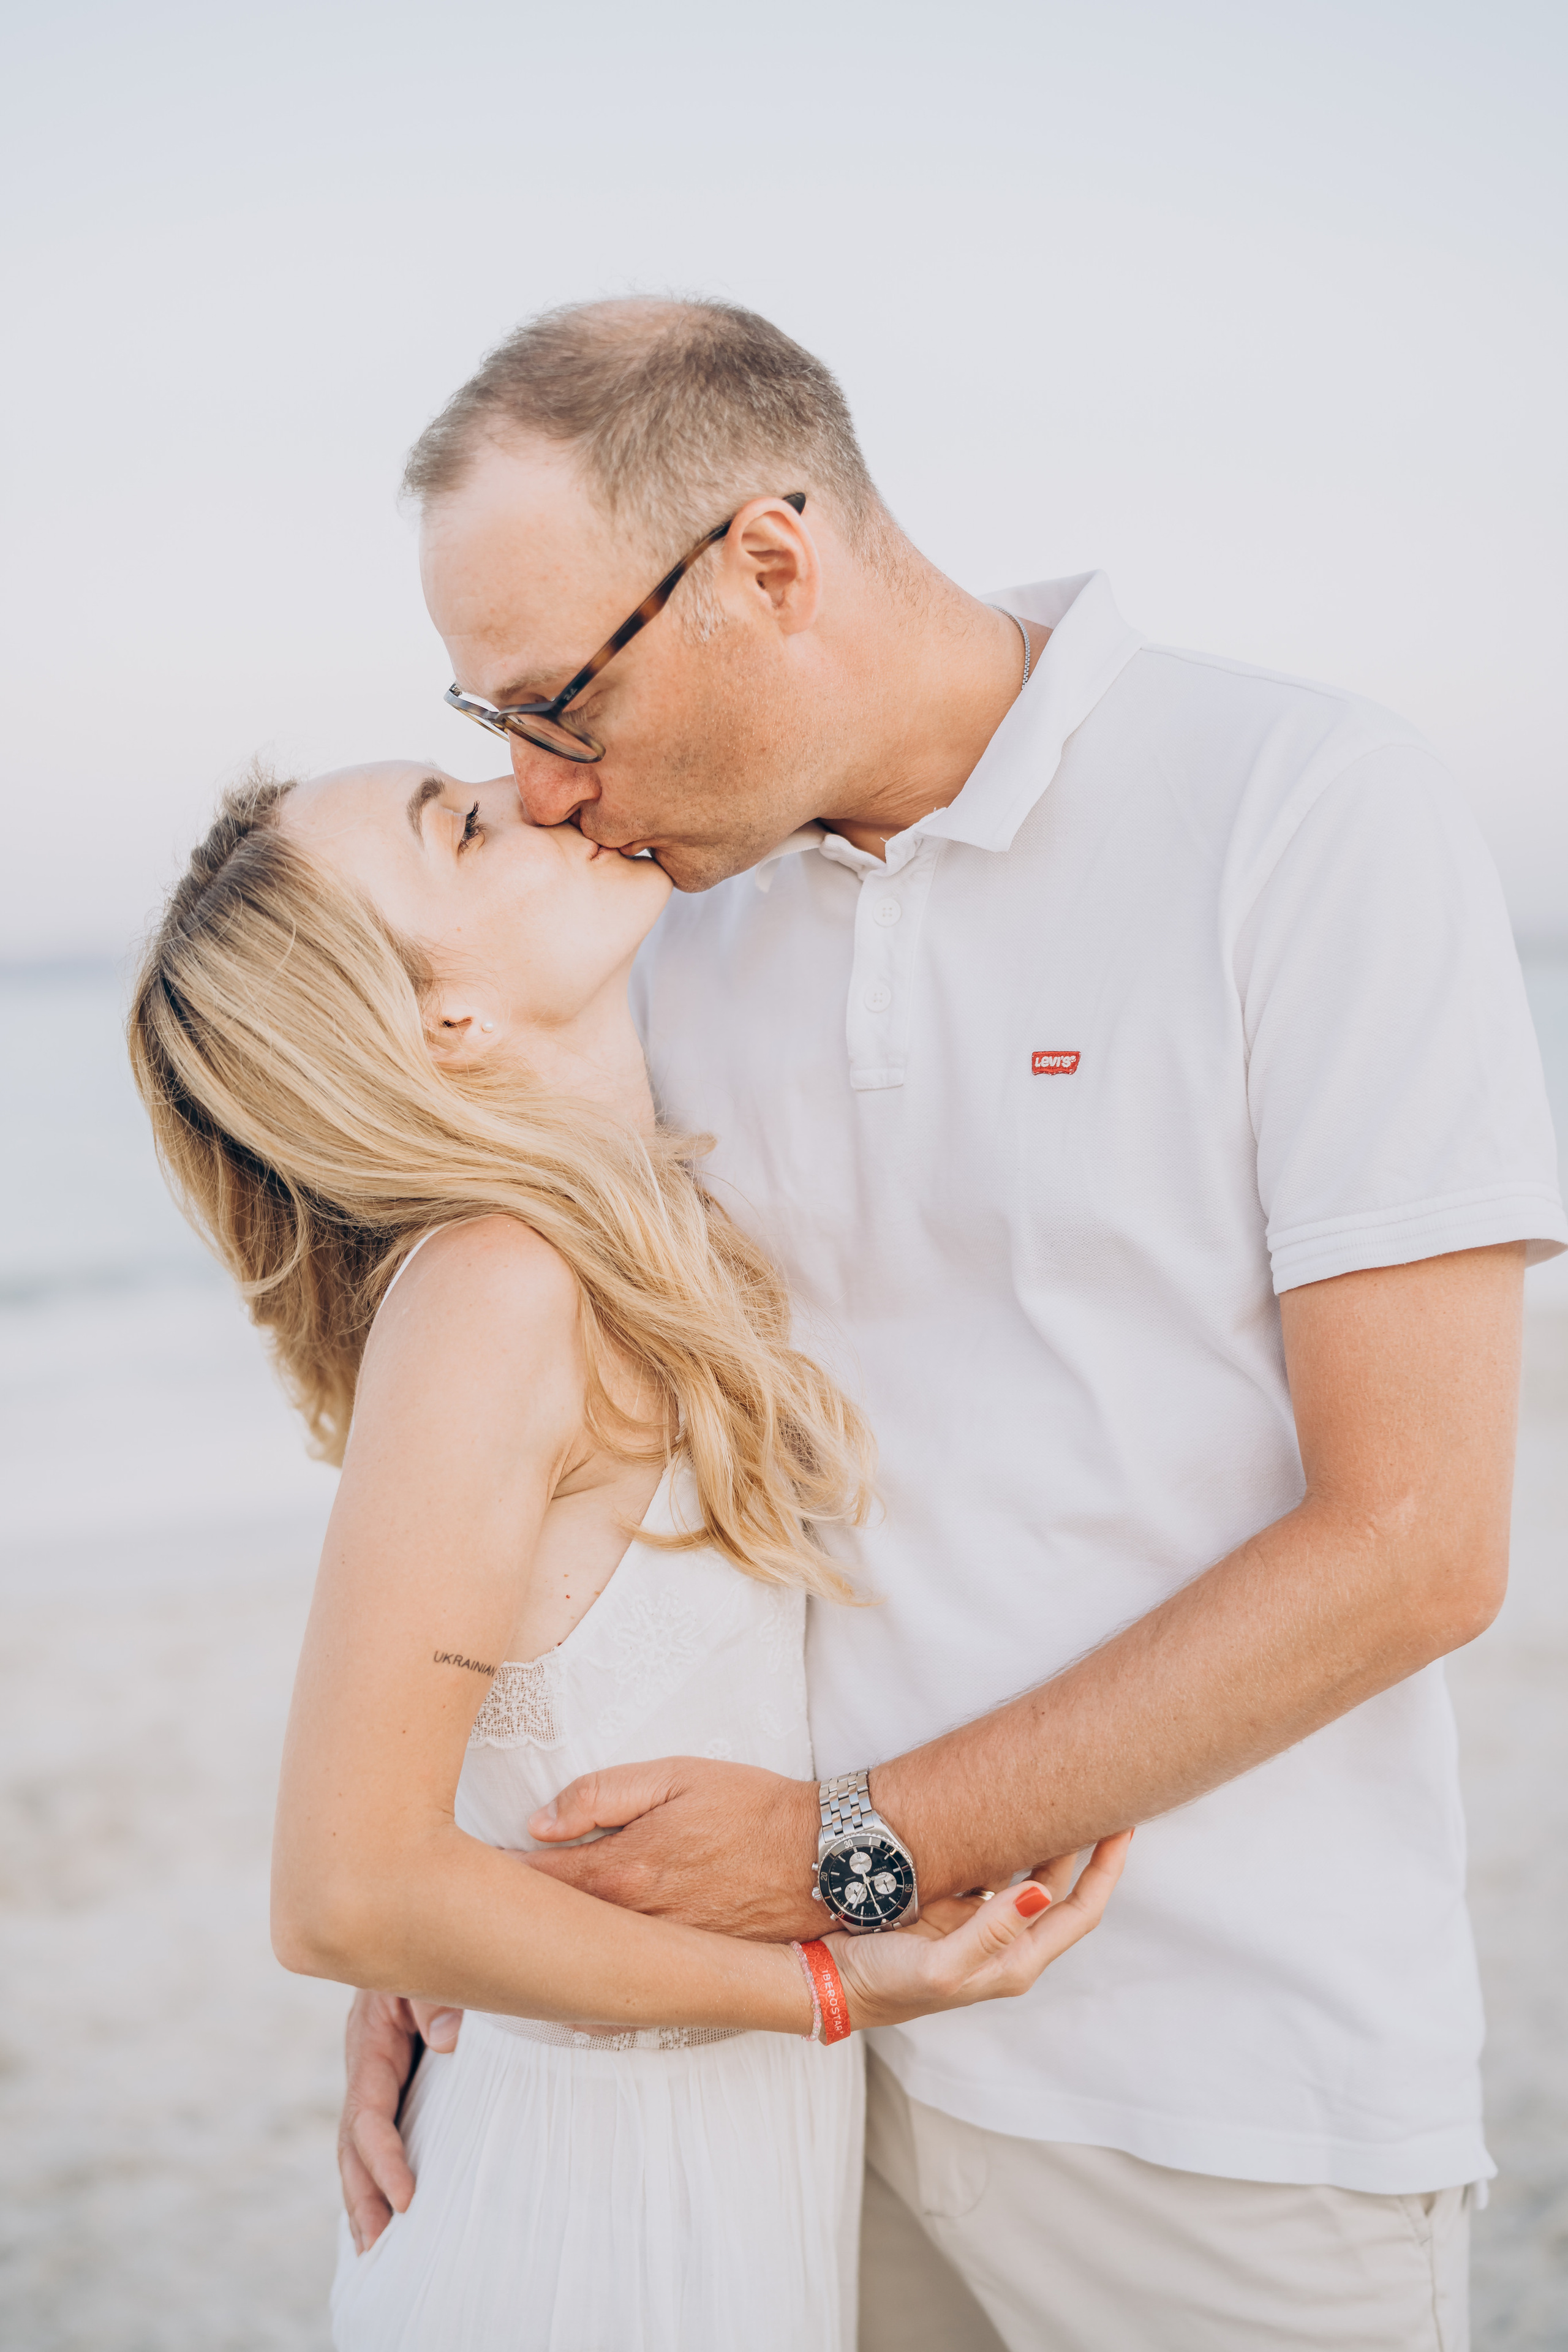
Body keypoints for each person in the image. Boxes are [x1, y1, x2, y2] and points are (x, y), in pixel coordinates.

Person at [341, 298, 1567, 2350]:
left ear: (769, 563)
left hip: (1212, 2086)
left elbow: (1418, 1545)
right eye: (497, 733)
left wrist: (850, 1856)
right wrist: (453, 1926)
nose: (547, 793)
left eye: (562, 705)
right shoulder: (665, 921)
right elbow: (589, 1457)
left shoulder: (1305, 811)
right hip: (784, 2086)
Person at [128, 759, 1128, 2352]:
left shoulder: (632, 1252)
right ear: (441, 1024)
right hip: (583, 2214)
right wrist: (822, 1990)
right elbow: (341, 1888)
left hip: (724, 2161)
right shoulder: (496, 1287)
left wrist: (448, 1921)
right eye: (459, 824)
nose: (531, 790)